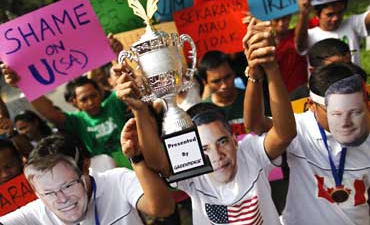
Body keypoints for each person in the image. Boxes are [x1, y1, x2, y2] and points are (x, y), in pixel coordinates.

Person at [116, 18, 296, 224]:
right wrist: (139, 109)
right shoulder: (193, 172)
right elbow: (159, 164)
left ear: (235, 139)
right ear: (191, 150)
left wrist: (271, 68)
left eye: (222, 141)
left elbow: (284, 134)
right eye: (204, 148)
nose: (217, 155)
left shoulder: (250, 153)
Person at [244, 61, 370, 224]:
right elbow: (255, 124)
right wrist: (255, 78)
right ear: (311, 105)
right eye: (336, 112)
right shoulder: (297, 127)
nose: (346, 121)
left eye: (354, 110)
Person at [0, 134, 175, 224]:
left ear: (85, 165)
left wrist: (137, 160)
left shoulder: (116, 180)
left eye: (68, 185)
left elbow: (163, 208)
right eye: (49, 192)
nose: (61, 198)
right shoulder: (37, 211)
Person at [2, 70, 132, 169]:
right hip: (105, 169)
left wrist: (118, 53)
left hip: (134, 158)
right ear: (74, 102)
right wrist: (23, 84)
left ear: (101, 93)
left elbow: (127, 85)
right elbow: (49, 112)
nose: (91, 102)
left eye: (94, 95)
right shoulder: (76, 120)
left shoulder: (114, 103)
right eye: (84, 99)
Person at [295, 0, 370, 65]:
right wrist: (303, 14)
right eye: (330, 14)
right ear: (317, 15)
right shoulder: (311, 35)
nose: (335, 18)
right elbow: (300, 43)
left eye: (340, 12)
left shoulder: (352, 25)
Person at [198, 50, 246, 136]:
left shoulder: (252, 99)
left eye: (227, 77)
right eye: (216, 81)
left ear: (234, 73)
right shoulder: (204, 112)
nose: (224, 85)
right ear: (205, 82)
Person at [270, 14, 308, 100]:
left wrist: (303, 13)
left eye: (284, 19)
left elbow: (300, 41)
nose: (281, 23)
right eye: (276, 20)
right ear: (270, 21)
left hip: (304, 88)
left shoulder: (298, 34)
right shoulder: (267, 42)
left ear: (290, 18)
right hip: (283, 93)